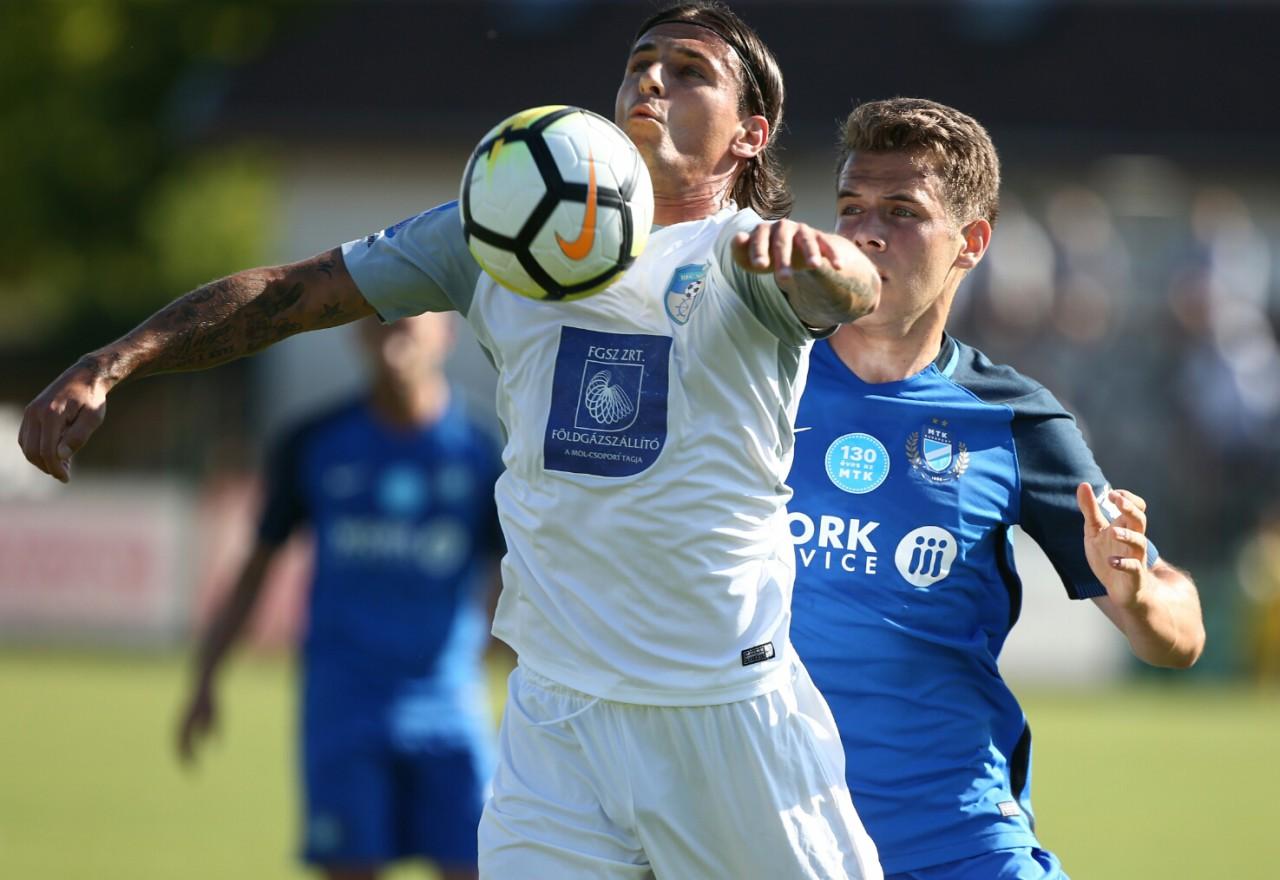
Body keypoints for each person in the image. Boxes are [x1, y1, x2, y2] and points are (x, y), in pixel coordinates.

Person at [20, 3, 885, 877]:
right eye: (640, 63)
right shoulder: (504, 228)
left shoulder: (751, 256)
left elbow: (852, 290)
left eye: (690, 71)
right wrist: (110, 362)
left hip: (723, 707)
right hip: (558, 721)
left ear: (749, 135)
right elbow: (294, 292)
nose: (651, 80)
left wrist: (827, 261)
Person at [787, 97, 1206, 880]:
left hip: (954, 840)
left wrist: (1139, 590)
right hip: (764, 837)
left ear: (971, 243)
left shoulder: (1011, 419)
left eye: (902, 211)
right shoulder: (758, 379)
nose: (865, 232)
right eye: (851, 207)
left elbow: (1179, 638)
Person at [176, 313, 503, 880]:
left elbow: (515, 572)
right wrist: (207, 675)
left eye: (411, 319)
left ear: (447, 333)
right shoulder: (316, 441)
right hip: (344, 704)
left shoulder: (480, 450)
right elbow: (256, 568)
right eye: (381, 320)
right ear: (358, 334)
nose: (395, 330)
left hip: (449, 702)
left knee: (480, 866)